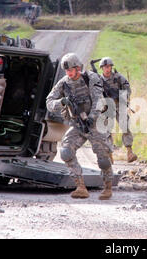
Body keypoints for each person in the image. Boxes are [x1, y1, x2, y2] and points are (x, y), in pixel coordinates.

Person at [46, 53, 114, 200]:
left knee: (103, 158)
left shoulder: (91, 78)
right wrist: (61, 103)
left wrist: (92, 117)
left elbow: (98, 100)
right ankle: (80, 186)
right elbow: (49, 102)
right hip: (77, 124)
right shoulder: (64, 83)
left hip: (95, 123)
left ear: (78, 68)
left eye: (71, 70)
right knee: (66, 151)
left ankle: (108, 187)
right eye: (66, 71)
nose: (69, 73)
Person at [99, 57, 138, 163]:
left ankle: (129, 152)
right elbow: (95, 93)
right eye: (105, 67)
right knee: (107, 131)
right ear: (102, 68)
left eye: (109, 66)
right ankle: (109, 155)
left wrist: (124, 99)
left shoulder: (118, 77)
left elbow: (127, 88)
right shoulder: (99, 80)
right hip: (107, 107)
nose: (108, 69)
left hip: (119, 104)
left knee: (125, 128)